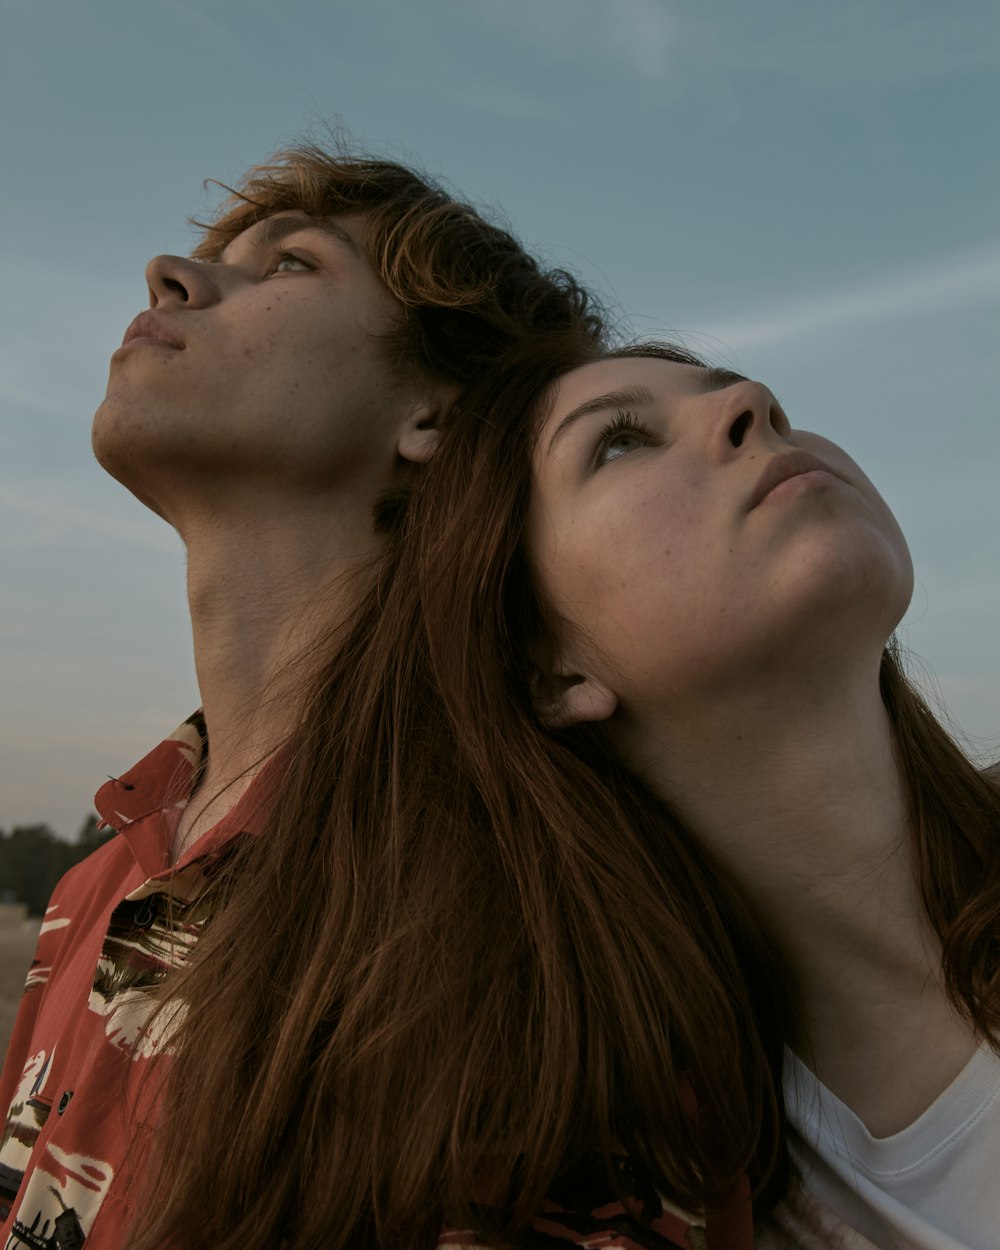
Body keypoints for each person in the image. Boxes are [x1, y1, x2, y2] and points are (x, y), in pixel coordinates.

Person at [0, 146, 603, 1249]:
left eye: (288, 264)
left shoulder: (533, 909)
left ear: (431, 414)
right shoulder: (88, 896)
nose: (169, 274)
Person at [277, 331, 994, 1250]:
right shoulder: (634, 1188)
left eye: (748, 394)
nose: (757, 406)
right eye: (618, 441)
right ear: (548, 673)